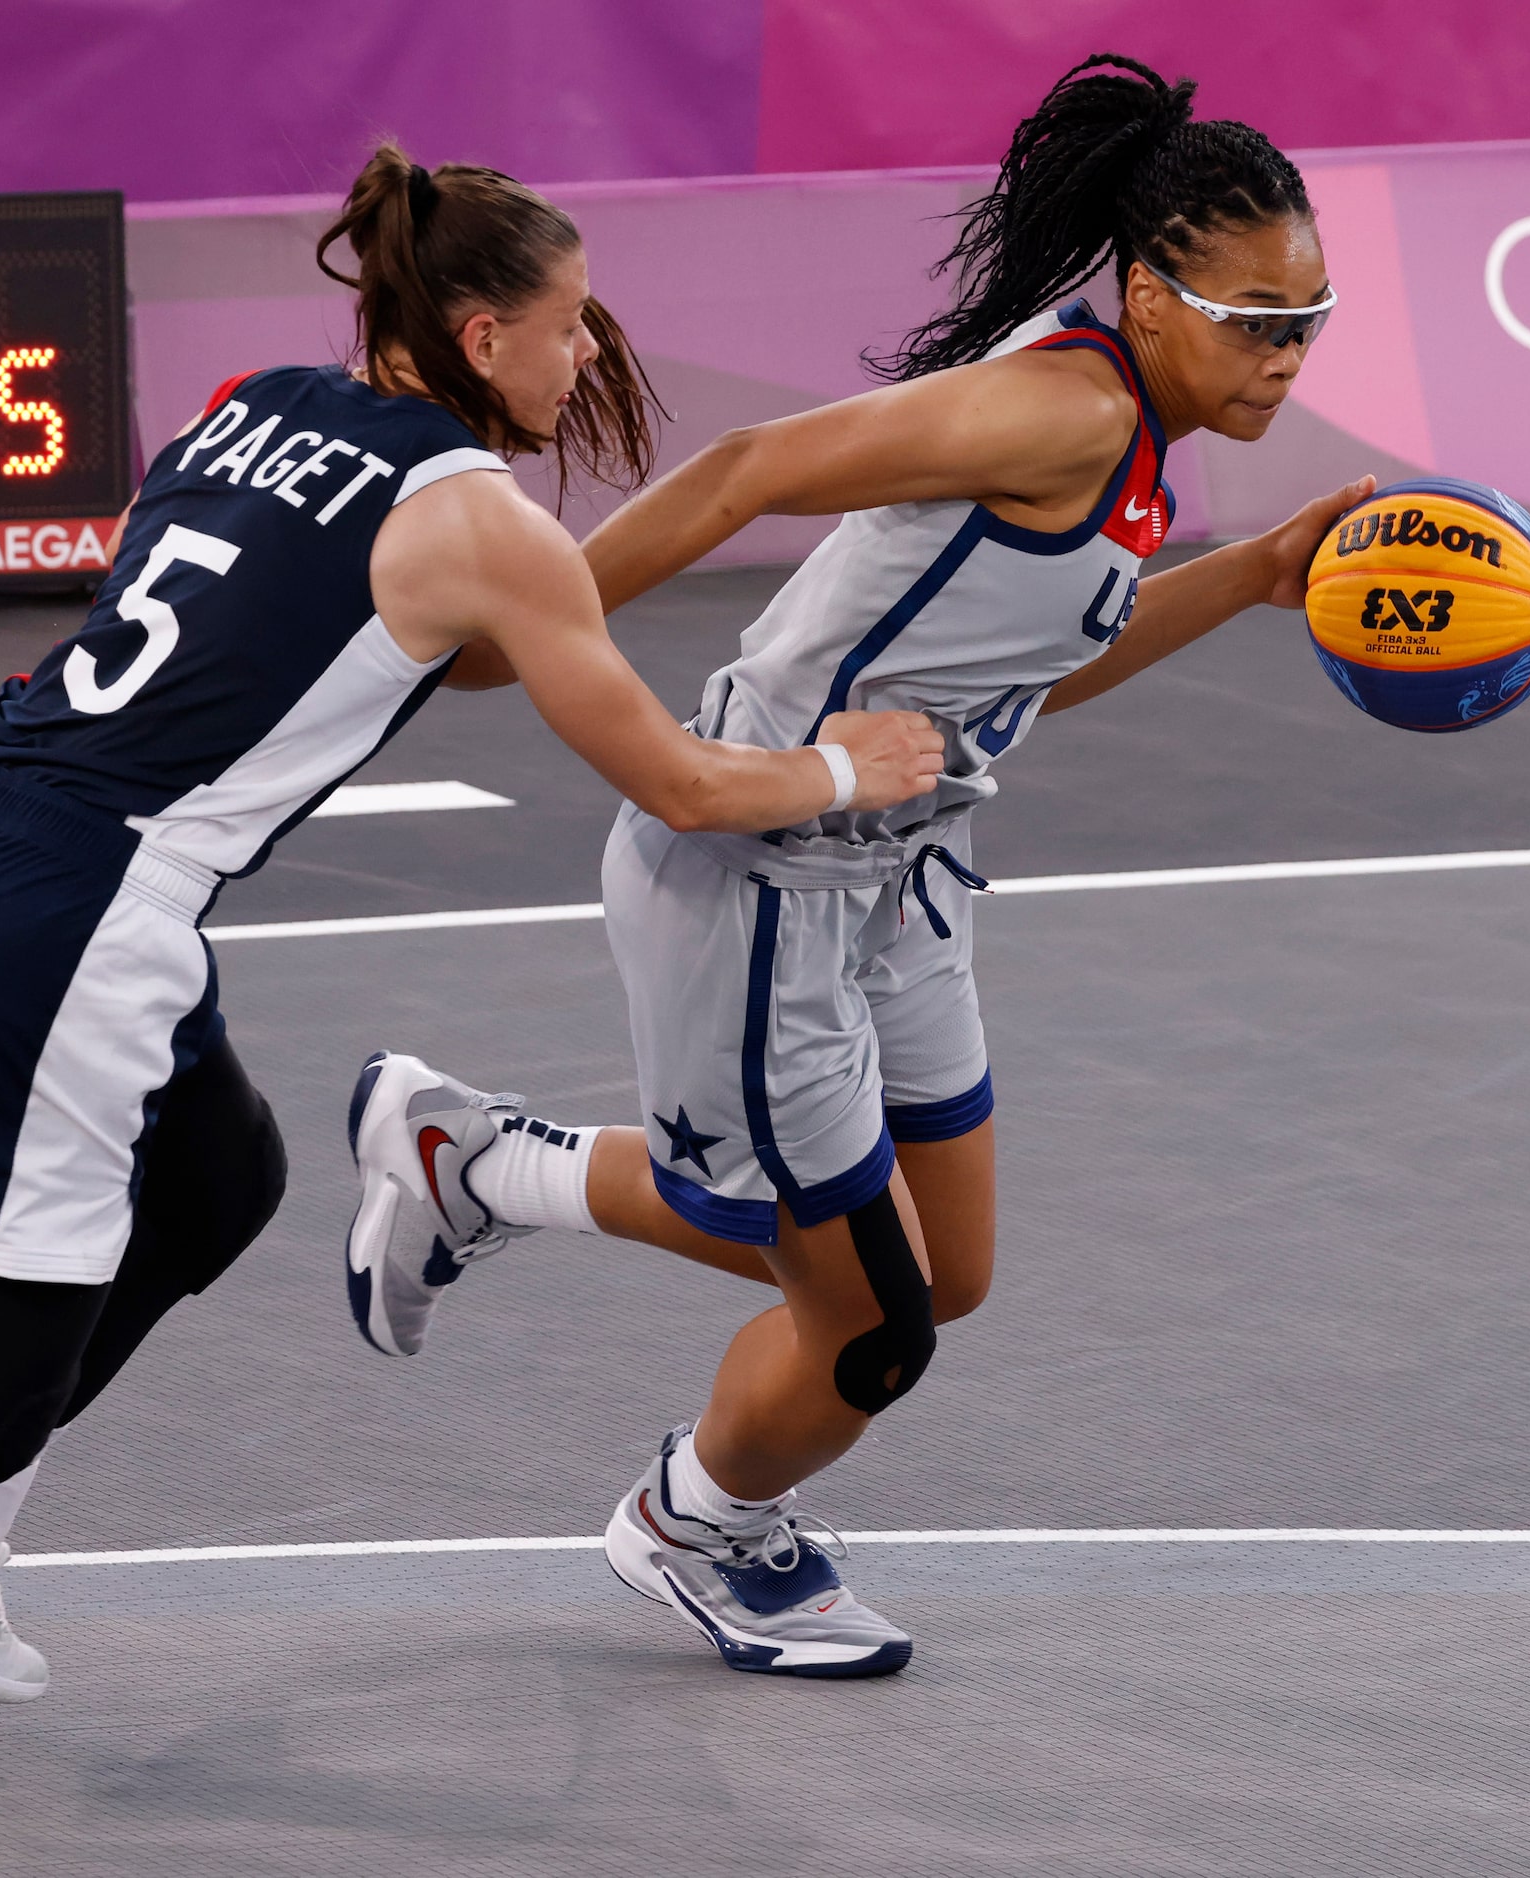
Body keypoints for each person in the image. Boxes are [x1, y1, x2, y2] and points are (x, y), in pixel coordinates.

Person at [0, 144, 942, 1850]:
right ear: (475, 327)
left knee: (220, 1174)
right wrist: (843, 764)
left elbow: (441, 631)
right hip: (70, 929)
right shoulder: (475, 521)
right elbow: (669, 778)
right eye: (569, 326)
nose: (586, 357)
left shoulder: (249, 405)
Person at [343, 57, 1374, 1677]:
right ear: (1150, 295)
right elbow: (752, 465)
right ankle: (694, 1529)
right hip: (763, 870)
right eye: (1254, 315)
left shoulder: (1139, 437)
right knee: (871, 1326)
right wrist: (527, 625)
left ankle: (473, 1162)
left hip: (905, 873)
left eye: (1307, 316)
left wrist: (1248, 576)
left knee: (939, 1267)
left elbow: (1025, 673)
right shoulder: (1064, 407)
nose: (1286, 351)